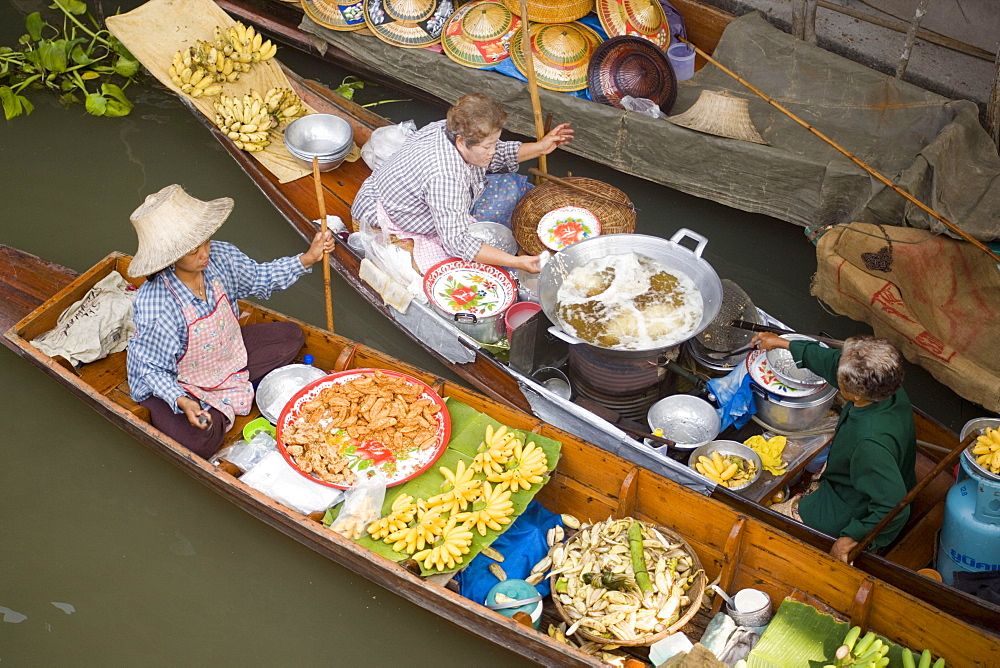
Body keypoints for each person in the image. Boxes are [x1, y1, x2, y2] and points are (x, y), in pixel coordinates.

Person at [125, 184, 334, 459]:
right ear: (171, 258)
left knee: (292, 337)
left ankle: (224, 399)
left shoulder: (220, 257)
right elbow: (152, 370)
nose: (204, 255)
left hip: (221, 356)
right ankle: (206, 407)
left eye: (205, 242)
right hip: (175, 378)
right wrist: (184, 401)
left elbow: (261, 279)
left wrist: (308, 258)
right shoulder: (157, 305)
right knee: (202, 440)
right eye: (192, 251)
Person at [351, 93, 573, 274]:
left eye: (494, 142)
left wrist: (541, 147)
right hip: (384, 222)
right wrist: (517, 263)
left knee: (511, 187)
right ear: (461, 141)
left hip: (401, 194)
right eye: (487, 146)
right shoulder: (446, 176)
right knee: (456, 272)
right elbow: (457, 242)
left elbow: (495, 155)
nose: (492, 151)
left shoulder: (449, 128)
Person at [752, 332, 917, 562]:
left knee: (767, 519)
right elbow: (831, 360)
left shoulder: (870, 445)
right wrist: (782, 343)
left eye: (840, 379)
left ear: (857, 394)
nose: (835, 373)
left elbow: (894, 507)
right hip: (862, 474)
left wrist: (852, 537)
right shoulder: (886, 387)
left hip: (853, 502)